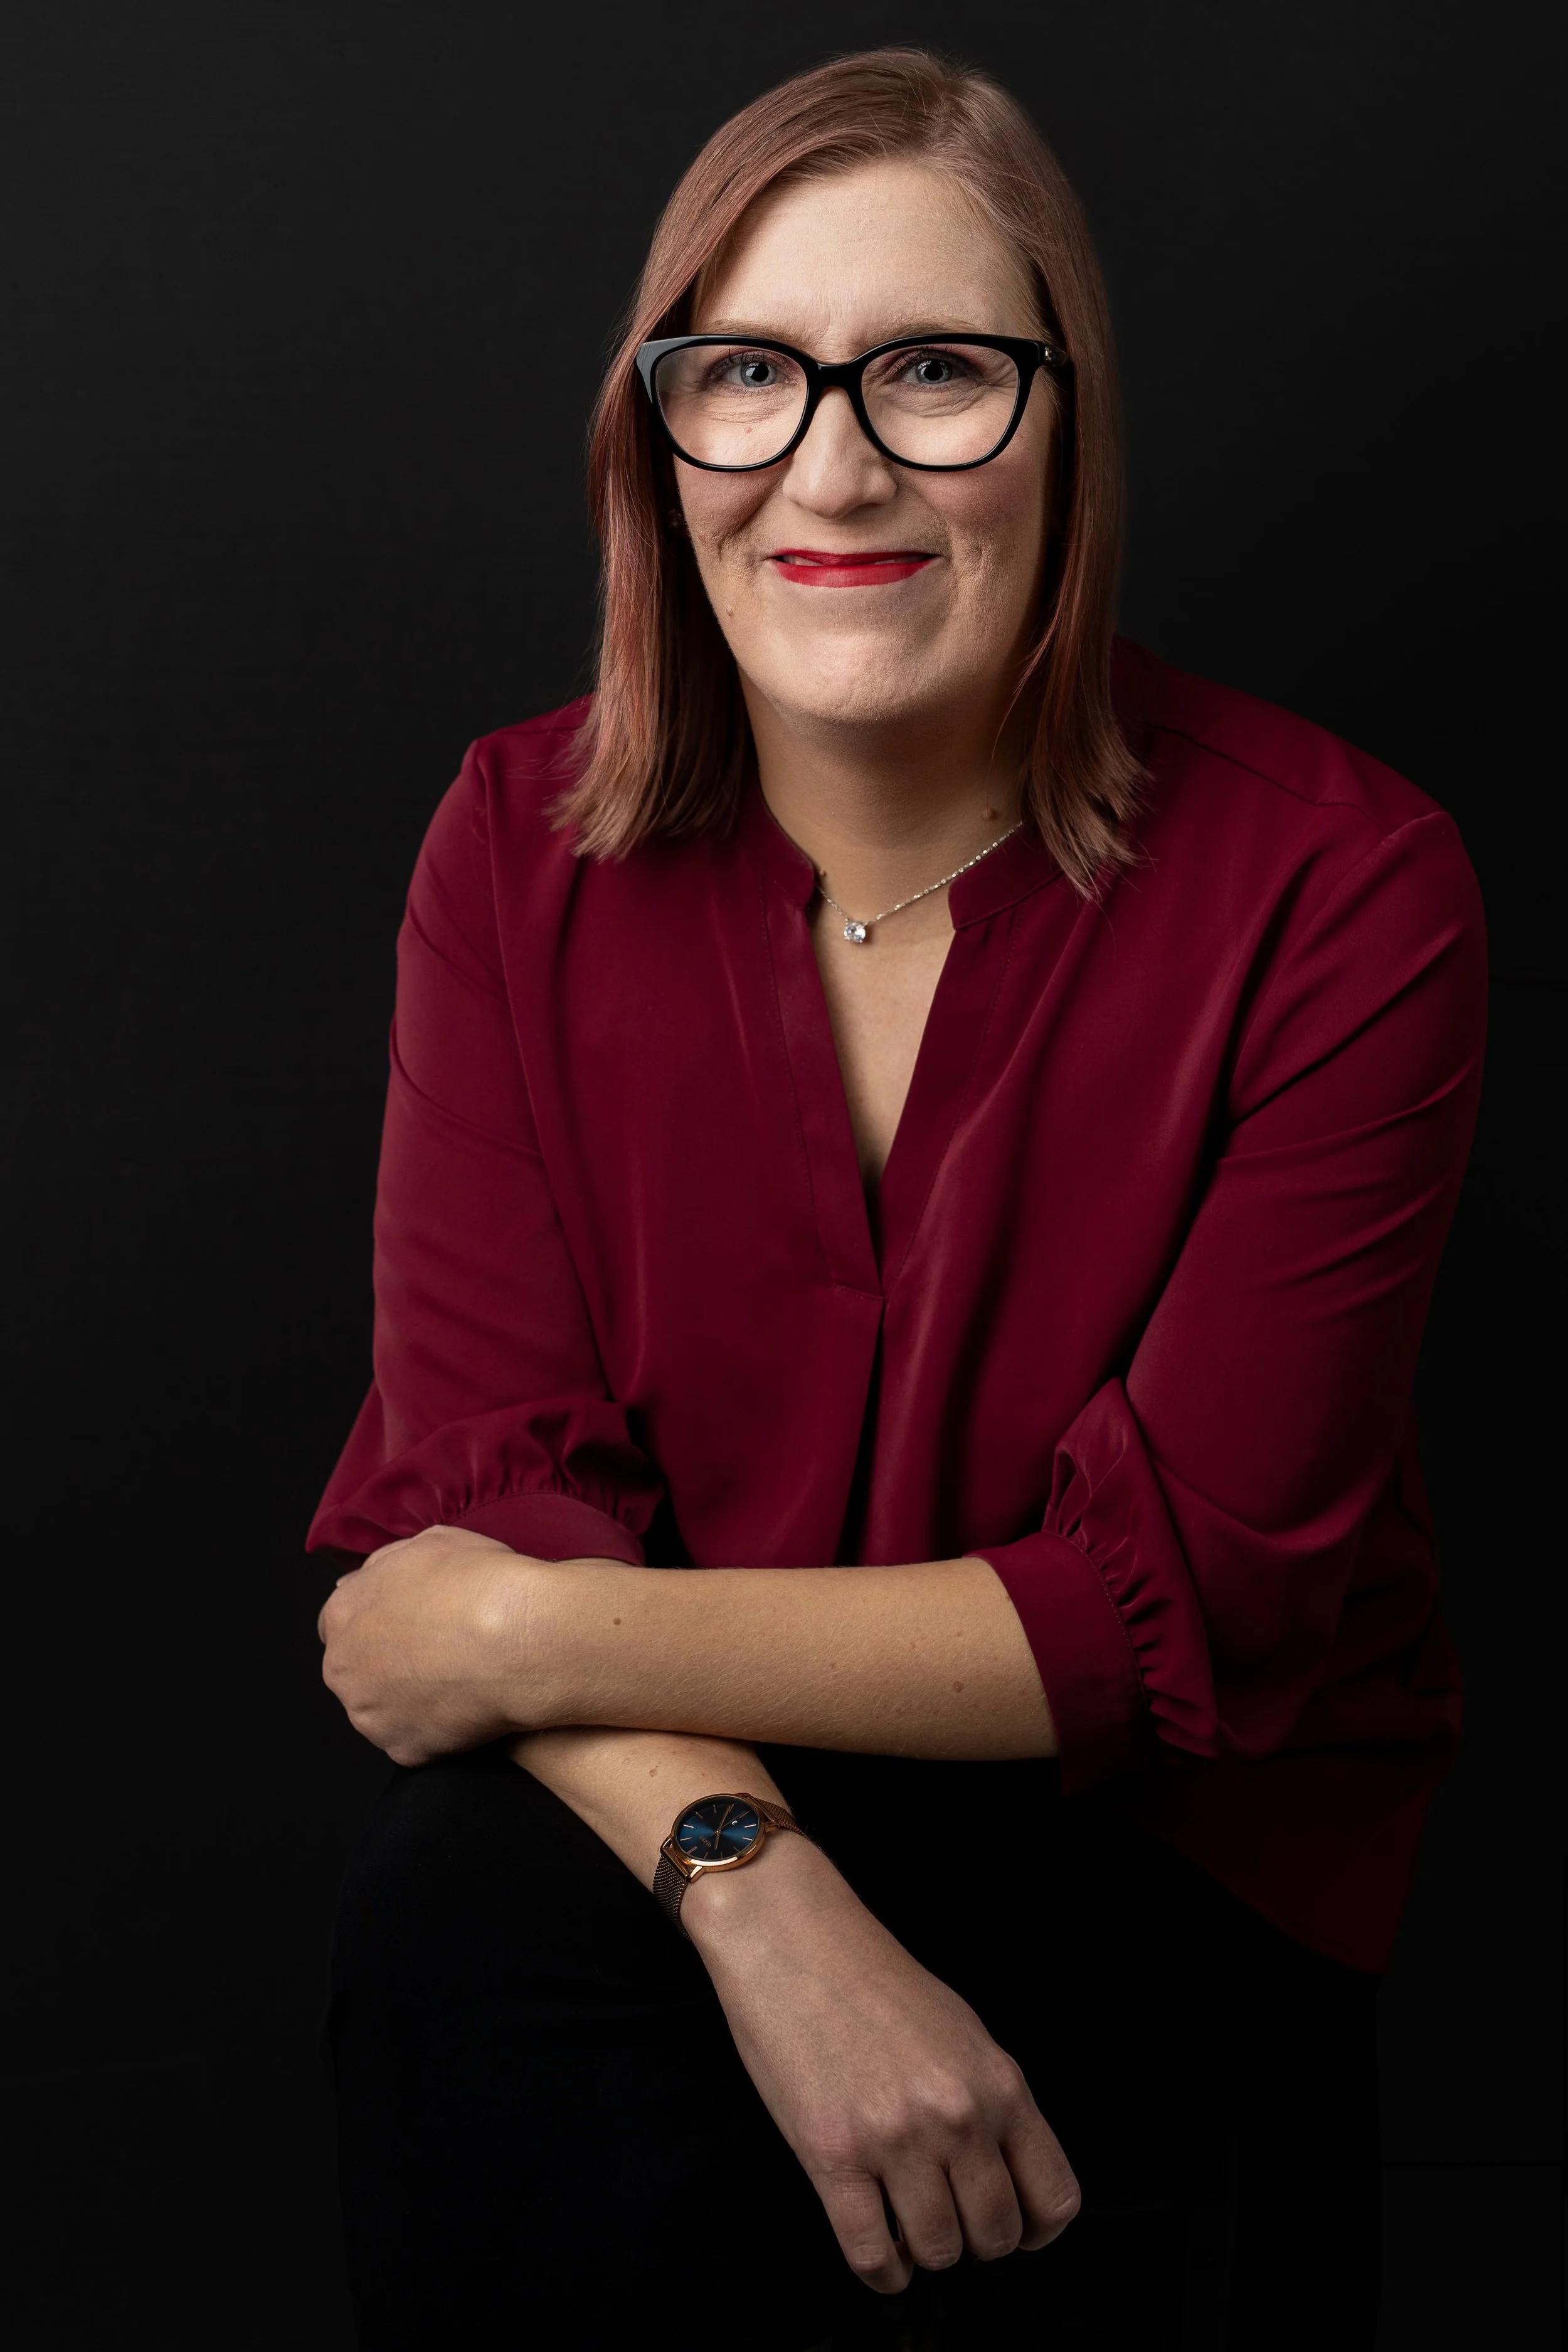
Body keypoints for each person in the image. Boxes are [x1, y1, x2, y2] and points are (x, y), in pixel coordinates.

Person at [310, 47, 1485, 2352]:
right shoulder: (507, 845)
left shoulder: (1347, 886)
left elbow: (1180, 1621)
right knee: (462, 1942)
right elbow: (484, 1479)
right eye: (741, 372)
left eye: (935, 369)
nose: (829, 464)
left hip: (1160, 1841)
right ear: (654, 438)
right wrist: (755, 1887)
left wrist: (533, 1640)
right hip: (679, 1816)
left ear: (1069, 423)